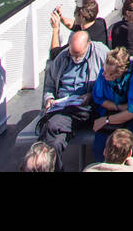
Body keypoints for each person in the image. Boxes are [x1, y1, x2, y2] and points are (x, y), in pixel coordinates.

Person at [38, 30, 108, 169]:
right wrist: (49, 98)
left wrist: (91, 95)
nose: (75, 58)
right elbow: (49, 85)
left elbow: (111, 81)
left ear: (88, 45)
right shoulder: (63, 57)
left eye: (79, 55)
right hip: (63, 106)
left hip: (87, 107)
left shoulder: (101, 53)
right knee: (55, 143)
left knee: (51, 126)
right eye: (72, 53)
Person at [90, 46, 133, 163]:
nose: (104, 75)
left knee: (126, 142)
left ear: (120, 73)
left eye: (110, 75)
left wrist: (106, 120)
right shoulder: (104, 71)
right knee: (100, 146)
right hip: (111, 109)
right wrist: (117, 107)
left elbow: (132, 111)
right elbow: (98, 98)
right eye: (104, 71)